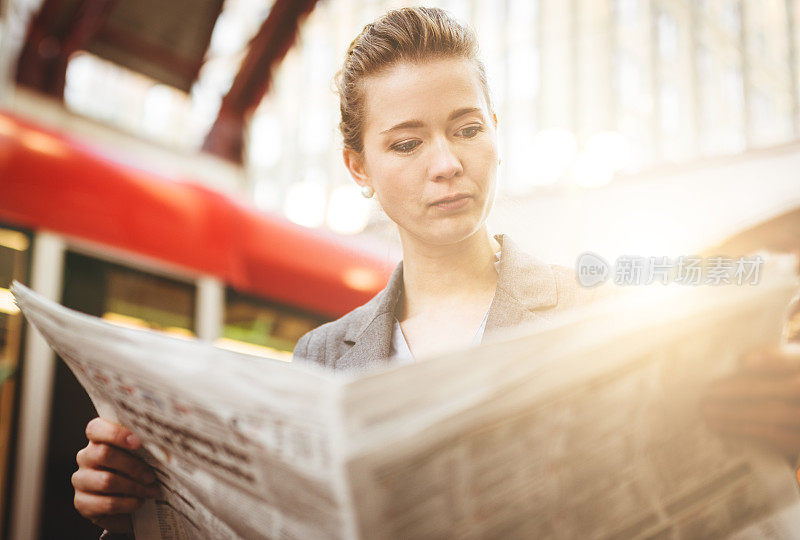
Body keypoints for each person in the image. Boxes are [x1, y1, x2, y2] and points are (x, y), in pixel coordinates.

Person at [71, 7, 800, 536]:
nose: (447, 164)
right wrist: (135, 500)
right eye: (406, 143)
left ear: (495, 134)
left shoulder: (601, 314)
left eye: (467, 128)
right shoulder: (319, 359)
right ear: (359, 167)